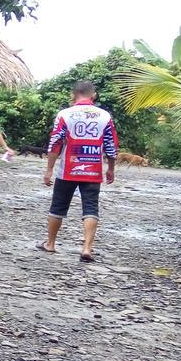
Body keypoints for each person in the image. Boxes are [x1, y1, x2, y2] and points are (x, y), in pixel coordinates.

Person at [39, 80, 118, 262]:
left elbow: (55, 144)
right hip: (93, 170)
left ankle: (50, 244)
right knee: (91, 207)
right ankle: (87, 248)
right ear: (94, 95)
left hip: (68, 169)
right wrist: (111, 169)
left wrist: (49, 170)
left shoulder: (65, 114)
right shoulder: (104, 116)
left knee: (58, 206)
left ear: (73, 95)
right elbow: (111, 145)